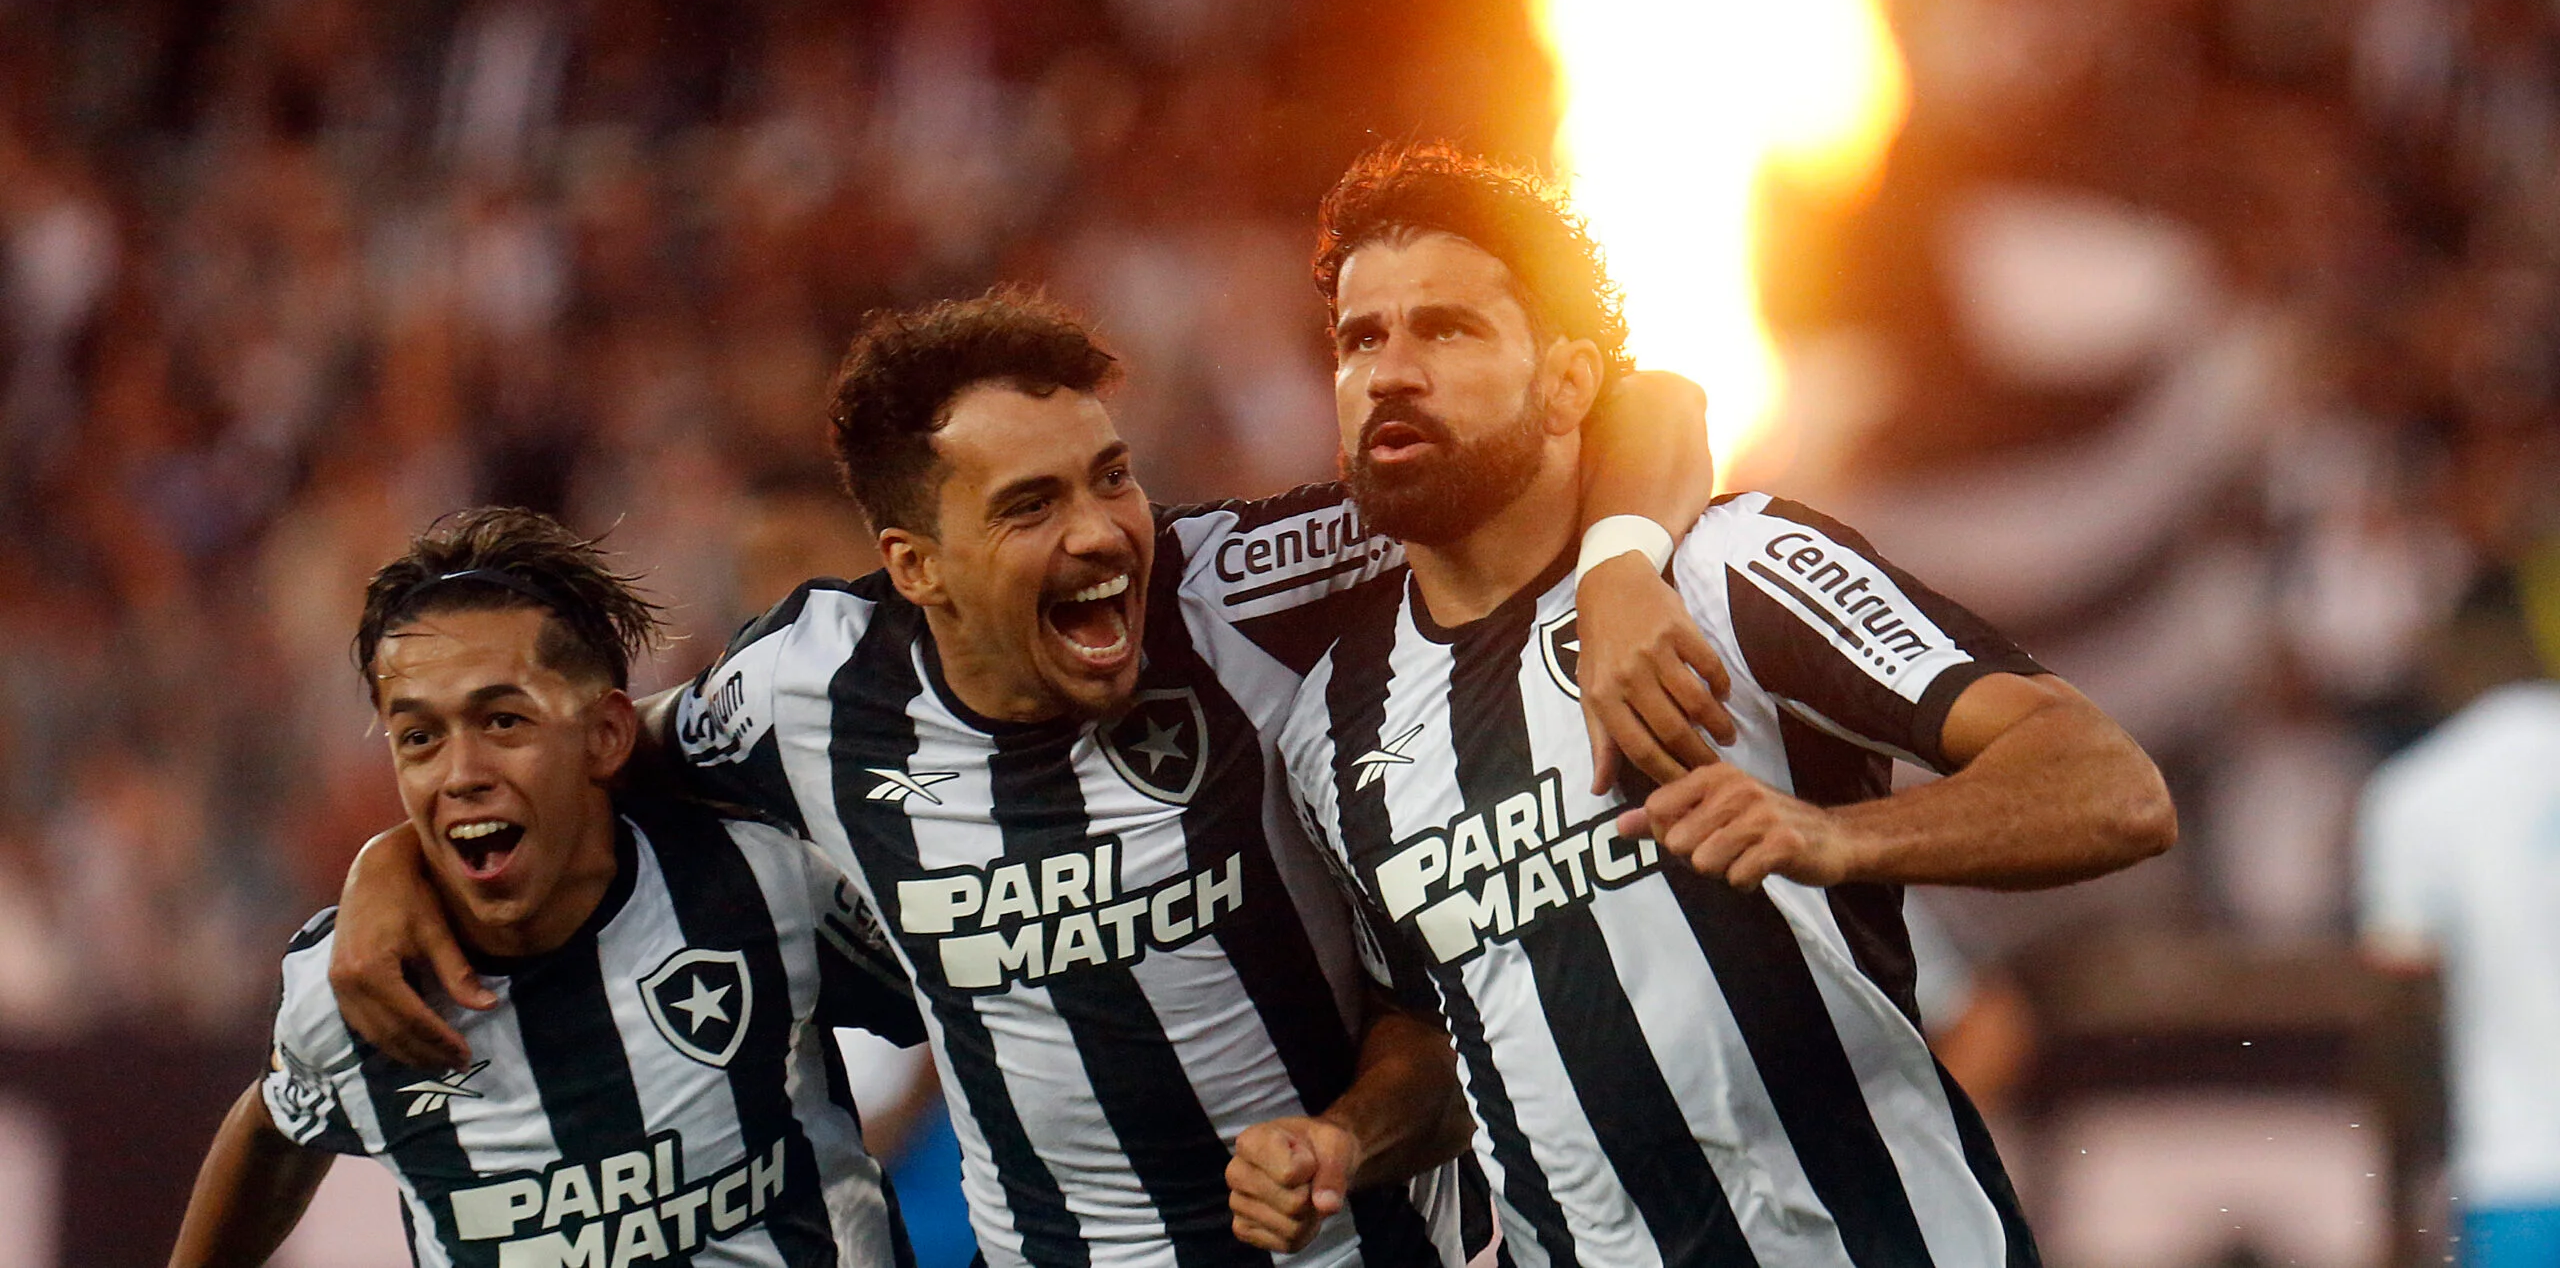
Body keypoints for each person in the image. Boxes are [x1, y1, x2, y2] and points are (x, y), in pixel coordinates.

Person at [327, 292, 1724, 1268]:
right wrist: (386, 870)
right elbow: (578, 752)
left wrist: (1614, 565)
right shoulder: (802, 688)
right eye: (1030, 504)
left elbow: (1648, 404)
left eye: (1110, 476)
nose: (1106, 531)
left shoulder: (1238, 586)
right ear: (912, 562)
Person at [1251, 144, 2178, 1268]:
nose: (1390, 371)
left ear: (1567, 383)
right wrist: (1349, 1135)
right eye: (1361, 339)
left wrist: (1839, 836)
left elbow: (2113, 786)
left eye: (1446, 329)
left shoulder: (1731, 568)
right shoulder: (1327, 728)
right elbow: (1451, 1029)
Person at [168, 508, 928, 1268]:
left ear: (605, 734)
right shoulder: (355, 986)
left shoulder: (761, 884)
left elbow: (972, 998)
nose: (462, 774)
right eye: (420, 737)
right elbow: (272, 1127)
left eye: (503, 720)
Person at [2359, 570, 2560, 1268]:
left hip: (2517, 1177)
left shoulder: (2418, 794)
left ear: (2448, 653)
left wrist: (2392, 1203)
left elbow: (2404, 1013)